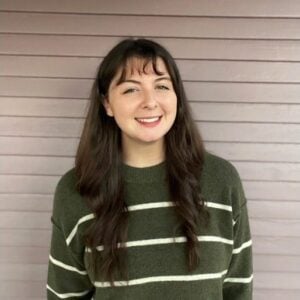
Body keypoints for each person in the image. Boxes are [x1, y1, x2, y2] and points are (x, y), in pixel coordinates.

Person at [46, 38, 253, 299]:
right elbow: (64, 295)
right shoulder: (76, 190)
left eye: (162, 86)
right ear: (107, 104)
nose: (150, 102)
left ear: (177, 97)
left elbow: (238, 290)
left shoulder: (222, 181)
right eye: (131, 90)